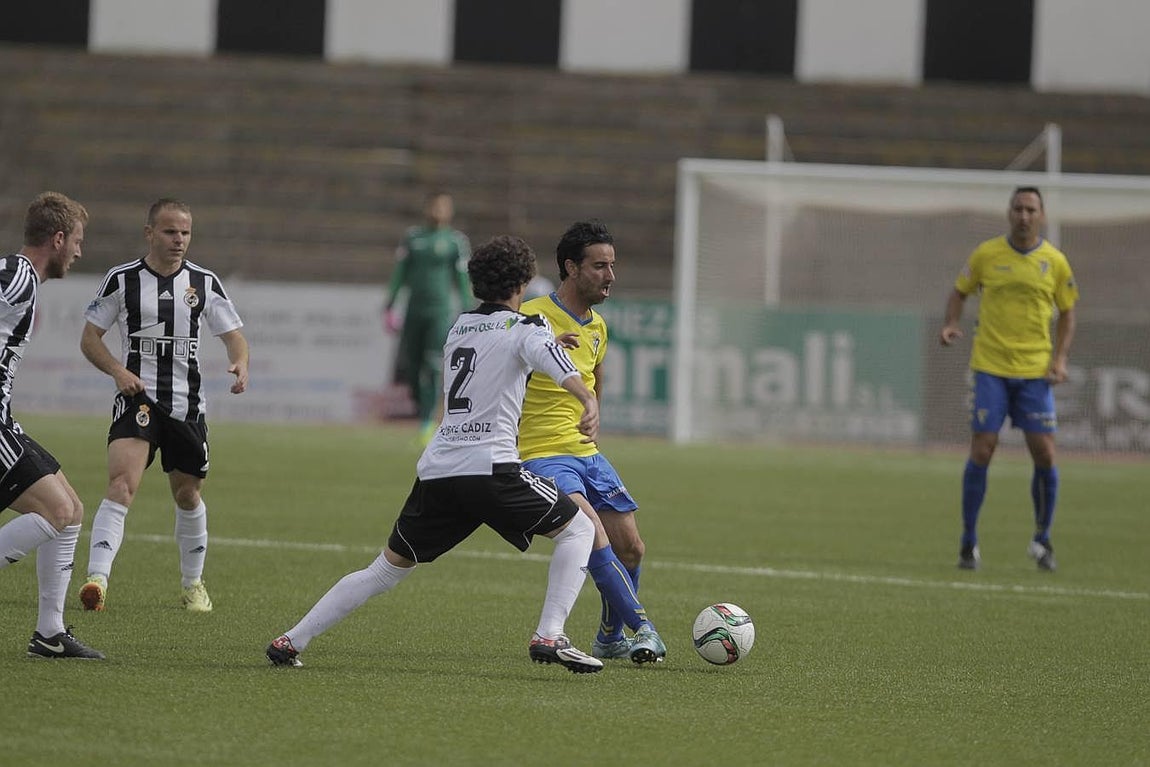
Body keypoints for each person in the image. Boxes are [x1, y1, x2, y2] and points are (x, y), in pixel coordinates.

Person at [267, 235, 603, 673]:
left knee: (384, 570)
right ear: (523, 281)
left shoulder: (460, 327)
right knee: (579, 529)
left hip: (440, 469)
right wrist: (587, 399)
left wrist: (547, 340)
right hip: (492, 468)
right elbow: (548, 358)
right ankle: (550, 635)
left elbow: (508, 350)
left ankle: (291, 640)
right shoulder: (526, 329)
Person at [77, 198, 249, 612]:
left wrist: (240, 362)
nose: (179, 240)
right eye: (170, 232)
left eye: (185, 233)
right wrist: (119, 372)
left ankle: (193, 584)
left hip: (187, 407)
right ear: (149, 232)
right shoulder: (122, 280)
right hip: (138, 400)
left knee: (187, 495)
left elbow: (234, 336)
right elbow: (89, 339)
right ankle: (97, 579)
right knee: (122, 485)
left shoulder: (204, 283)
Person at [519, 220, 666, 664]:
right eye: (600, 266)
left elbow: (594, 381)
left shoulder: (598, 327)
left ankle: (609, 635)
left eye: (612, 265)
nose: (610, 275)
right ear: (571, 267)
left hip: (586, 454)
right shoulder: (533, 317)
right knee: (593, 533)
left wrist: (592, 412)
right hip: (543, 454)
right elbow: (501, 371)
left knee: (631, 547)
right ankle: (644, 627)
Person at [940, 186, 1078, 572]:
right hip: (991, 367)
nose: (1023, 215)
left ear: (1042, 215)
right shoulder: (987, 254)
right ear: (1009, 212)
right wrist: (951, 322)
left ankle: (1042, 539)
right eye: (1018, 208)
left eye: (1031, 209)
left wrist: (1060, 358)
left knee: (1045, 454)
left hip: (1035, 373)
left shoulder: (1055, 261)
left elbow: (1068, 312)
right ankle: (969, 542)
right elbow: (959, 291)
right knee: (983, 449)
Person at [0, 192, 104, 659]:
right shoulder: (17, 277)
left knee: (72, 511)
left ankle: (49, 634)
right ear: (58, 239)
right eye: (77, 240)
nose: (79, 251)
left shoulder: (23, 280)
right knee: (57, 512)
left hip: (5, 422)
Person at [383, 191, 471, 444]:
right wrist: (390, 303)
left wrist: (467, 310)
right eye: (435, 206)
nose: (438, 211)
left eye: (443, 206)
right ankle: (421, 407)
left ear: (450, 211)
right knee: (411, 365)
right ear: (427, 208)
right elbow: (400, 272)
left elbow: (462, 279)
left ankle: (426, 421)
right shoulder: (413, 238)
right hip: (413, 312)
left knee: (432, 366)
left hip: (439, 313)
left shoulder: (455, 241)